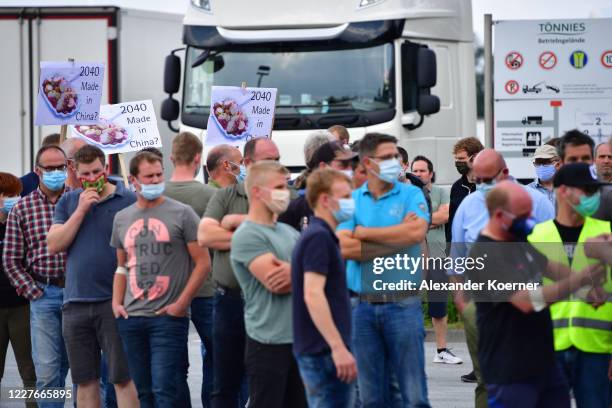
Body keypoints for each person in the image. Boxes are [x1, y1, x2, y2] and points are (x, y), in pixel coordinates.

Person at [468, 180, 606, 408]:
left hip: (544, 365)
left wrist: (587, 289)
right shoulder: (485, 254)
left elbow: (551, 267)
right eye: (523, 215)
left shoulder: (517, 241)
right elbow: (527, 301)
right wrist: (579, 280)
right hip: (510, 371)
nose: (530, 219)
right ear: (500, 216)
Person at [449, 148, 554, 406]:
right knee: (487, 380)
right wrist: (464, 307)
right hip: (483, 308)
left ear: (505, 173)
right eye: (478, 180)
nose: (483, 186)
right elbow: (457, 260)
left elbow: (553, 255)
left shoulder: (534, 201)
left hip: (529, 306)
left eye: (488, 179)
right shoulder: (469, 205)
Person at [337, 133, 431, 407]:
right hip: (362, 308)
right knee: (370, 396)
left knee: (413, 395)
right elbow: (345, 247)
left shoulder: (412, 193)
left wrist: (365, 232)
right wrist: (398, 239)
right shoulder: (351, 199)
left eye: (398, 158)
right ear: (368, 162)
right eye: (389, 157)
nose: (397, 163)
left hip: (403, 304)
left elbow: (416, 232)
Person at [110, 151, 210, 407]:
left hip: (168, 318)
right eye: (149, 176)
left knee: (166, 388)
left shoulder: (183, 213)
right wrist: (116, 303)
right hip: (131, 318)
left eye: (158, 175)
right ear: (134, 180)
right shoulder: (122, 218)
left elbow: (203, 263)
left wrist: (181, 304)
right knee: (144, 392)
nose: (155, 180)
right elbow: (122, 266)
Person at [46, 145, 139, 408]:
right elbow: (54, 244)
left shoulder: (128, 200)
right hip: (75, 302)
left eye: (97, 172)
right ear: (75, 173)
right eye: (85, 174)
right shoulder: (68, 201)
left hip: (115, 302)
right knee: (84, 381)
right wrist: (81, 210)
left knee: (122, 378)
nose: (92, 178)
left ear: (106, 169)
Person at [198, 137, 280, 408]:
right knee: (225, 382)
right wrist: (261, 232)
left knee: (267, 379)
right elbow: (207, 235)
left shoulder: (285, 197)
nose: (274, 167)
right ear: (246, 164)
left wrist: (235, 227)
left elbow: (291, 237)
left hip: (273, 302)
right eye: (267, 161)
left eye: (276, 160)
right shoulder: (225, 196)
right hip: (230, 301)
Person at [528, 163, 611, 408]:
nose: (592, 196)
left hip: (597, 349)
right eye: (586, 189)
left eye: (594, 190)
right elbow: (528, 299)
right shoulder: (537, 236)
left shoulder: (606, 234)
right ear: (563, 191)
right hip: (548, 349)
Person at [230, 161, 306, 408]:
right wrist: (308, 272)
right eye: (279, 187)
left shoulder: (288, 232)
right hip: (268, 343)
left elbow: (312, 275)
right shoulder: (248, 234)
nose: (285, 193)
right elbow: (278, 283)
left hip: (297, 339)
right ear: (256, 192)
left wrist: (298, 272)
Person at [3, 145, 70, 408]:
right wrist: (33, 291)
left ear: (68, 168)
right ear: (37, 171)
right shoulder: (23, 208)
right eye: (49, 168)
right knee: (47, 371)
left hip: (78, 294)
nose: (55, 173)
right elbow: (11, 258)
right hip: (44, 294)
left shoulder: (78, 200)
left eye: (60, 167)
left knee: (80, 369)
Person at [291, 168, 357, 407]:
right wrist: (338, 348)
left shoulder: (323, 235)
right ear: (325, 200)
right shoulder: (318, 237)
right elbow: (313, 293)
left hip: (322, 349)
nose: (351, 202)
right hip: (323, 351)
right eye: (346, 196)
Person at [165, 132, 217, 408]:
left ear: (172, 158)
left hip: (169, 292)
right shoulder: (211, 195)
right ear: (198, 159)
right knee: (218, 358)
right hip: (207, 287)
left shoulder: (157, 195)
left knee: (173, 366)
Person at [411, 155, 462, 365]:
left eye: (423, 170)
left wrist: (419, 220)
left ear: (431, 173)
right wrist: (429, 219)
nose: (419, 174)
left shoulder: (441, 192)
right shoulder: (408, 195)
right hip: (411, 258)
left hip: (437, 257)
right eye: (415, 170)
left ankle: (441, 350)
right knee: (410, 305)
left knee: (439, 306)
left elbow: (444, 216)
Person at [0, 173, 37, 408]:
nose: (15, 200)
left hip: (21, 305)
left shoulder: (21, 224)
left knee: (30, 369)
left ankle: (34, 405)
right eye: (9, 195)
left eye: (17, 195)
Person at [279, 140, 357, 231]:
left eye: (351, 164)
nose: (350, 169)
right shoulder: (296, 209)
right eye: (343, 164)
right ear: (323, 166)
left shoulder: (354, 201)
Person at [556, 130, 612, 223]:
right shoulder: (558, 195)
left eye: (585, 158)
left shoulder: (607, 196)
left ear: (592, 161)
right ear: (562, 163)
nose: (580, 164)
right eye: (573, 159)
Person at [447, 137, 484, 244]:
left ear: (475, 158)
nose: (458, 162)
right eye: (457, 159)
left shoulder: (488, 186)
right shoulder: (456, 187)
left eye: (462, 159)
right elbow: (452, 222)